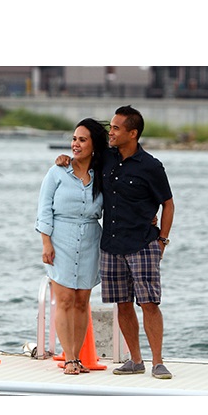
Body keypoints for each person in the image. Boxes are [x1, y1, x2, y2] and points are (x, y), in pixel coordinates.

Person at [56, 105, 175, 379]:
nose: (111, 132)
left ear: (133, 133)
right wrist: (63, 158)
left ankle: (157, 361)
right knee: (122, 304)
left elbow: (168, 204)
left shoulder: (152, 166)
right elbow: (82, 158)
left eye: (117, 128)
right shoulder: (106, 158)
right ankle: (135, 360)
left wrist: (162, 240)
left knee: (149, 304)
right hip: (110, 245)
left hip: (143, 244)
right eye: (110, 127)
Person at [36, 118, 109, 375]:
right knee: (64, 299)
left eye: (82, 140)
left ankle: (77, 357)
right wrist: (46, 242)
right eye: (74, 139)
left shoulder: (102, 175)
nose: (75, 144)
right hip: (61, 238)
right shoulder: (57, 172)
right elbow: (44, 209)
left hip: (91, 239)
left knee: (81, 301)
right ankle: (68, 358)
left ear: (94, 146)